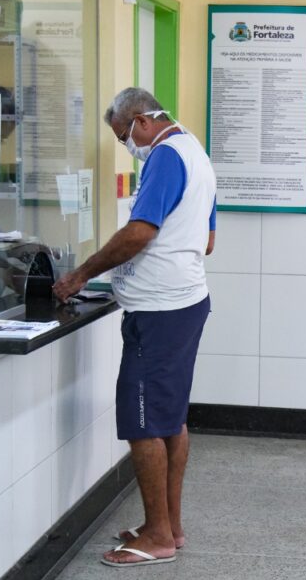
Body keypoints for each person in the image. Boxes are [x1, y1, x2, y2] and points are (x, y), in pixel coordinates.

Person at [52, 87, 216, 568]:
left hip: (160, 312)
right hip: (185, 303)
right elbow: (206, 241)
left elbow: (141, 231)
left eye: (125, 136)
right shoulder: (194, 150)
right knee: (170, 418)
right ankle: (168, 525)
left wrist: (83, 273)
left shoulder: (165, 156)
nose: (128, 146)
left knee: (143, 423)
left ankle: (158, 537)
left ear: (143, 120)